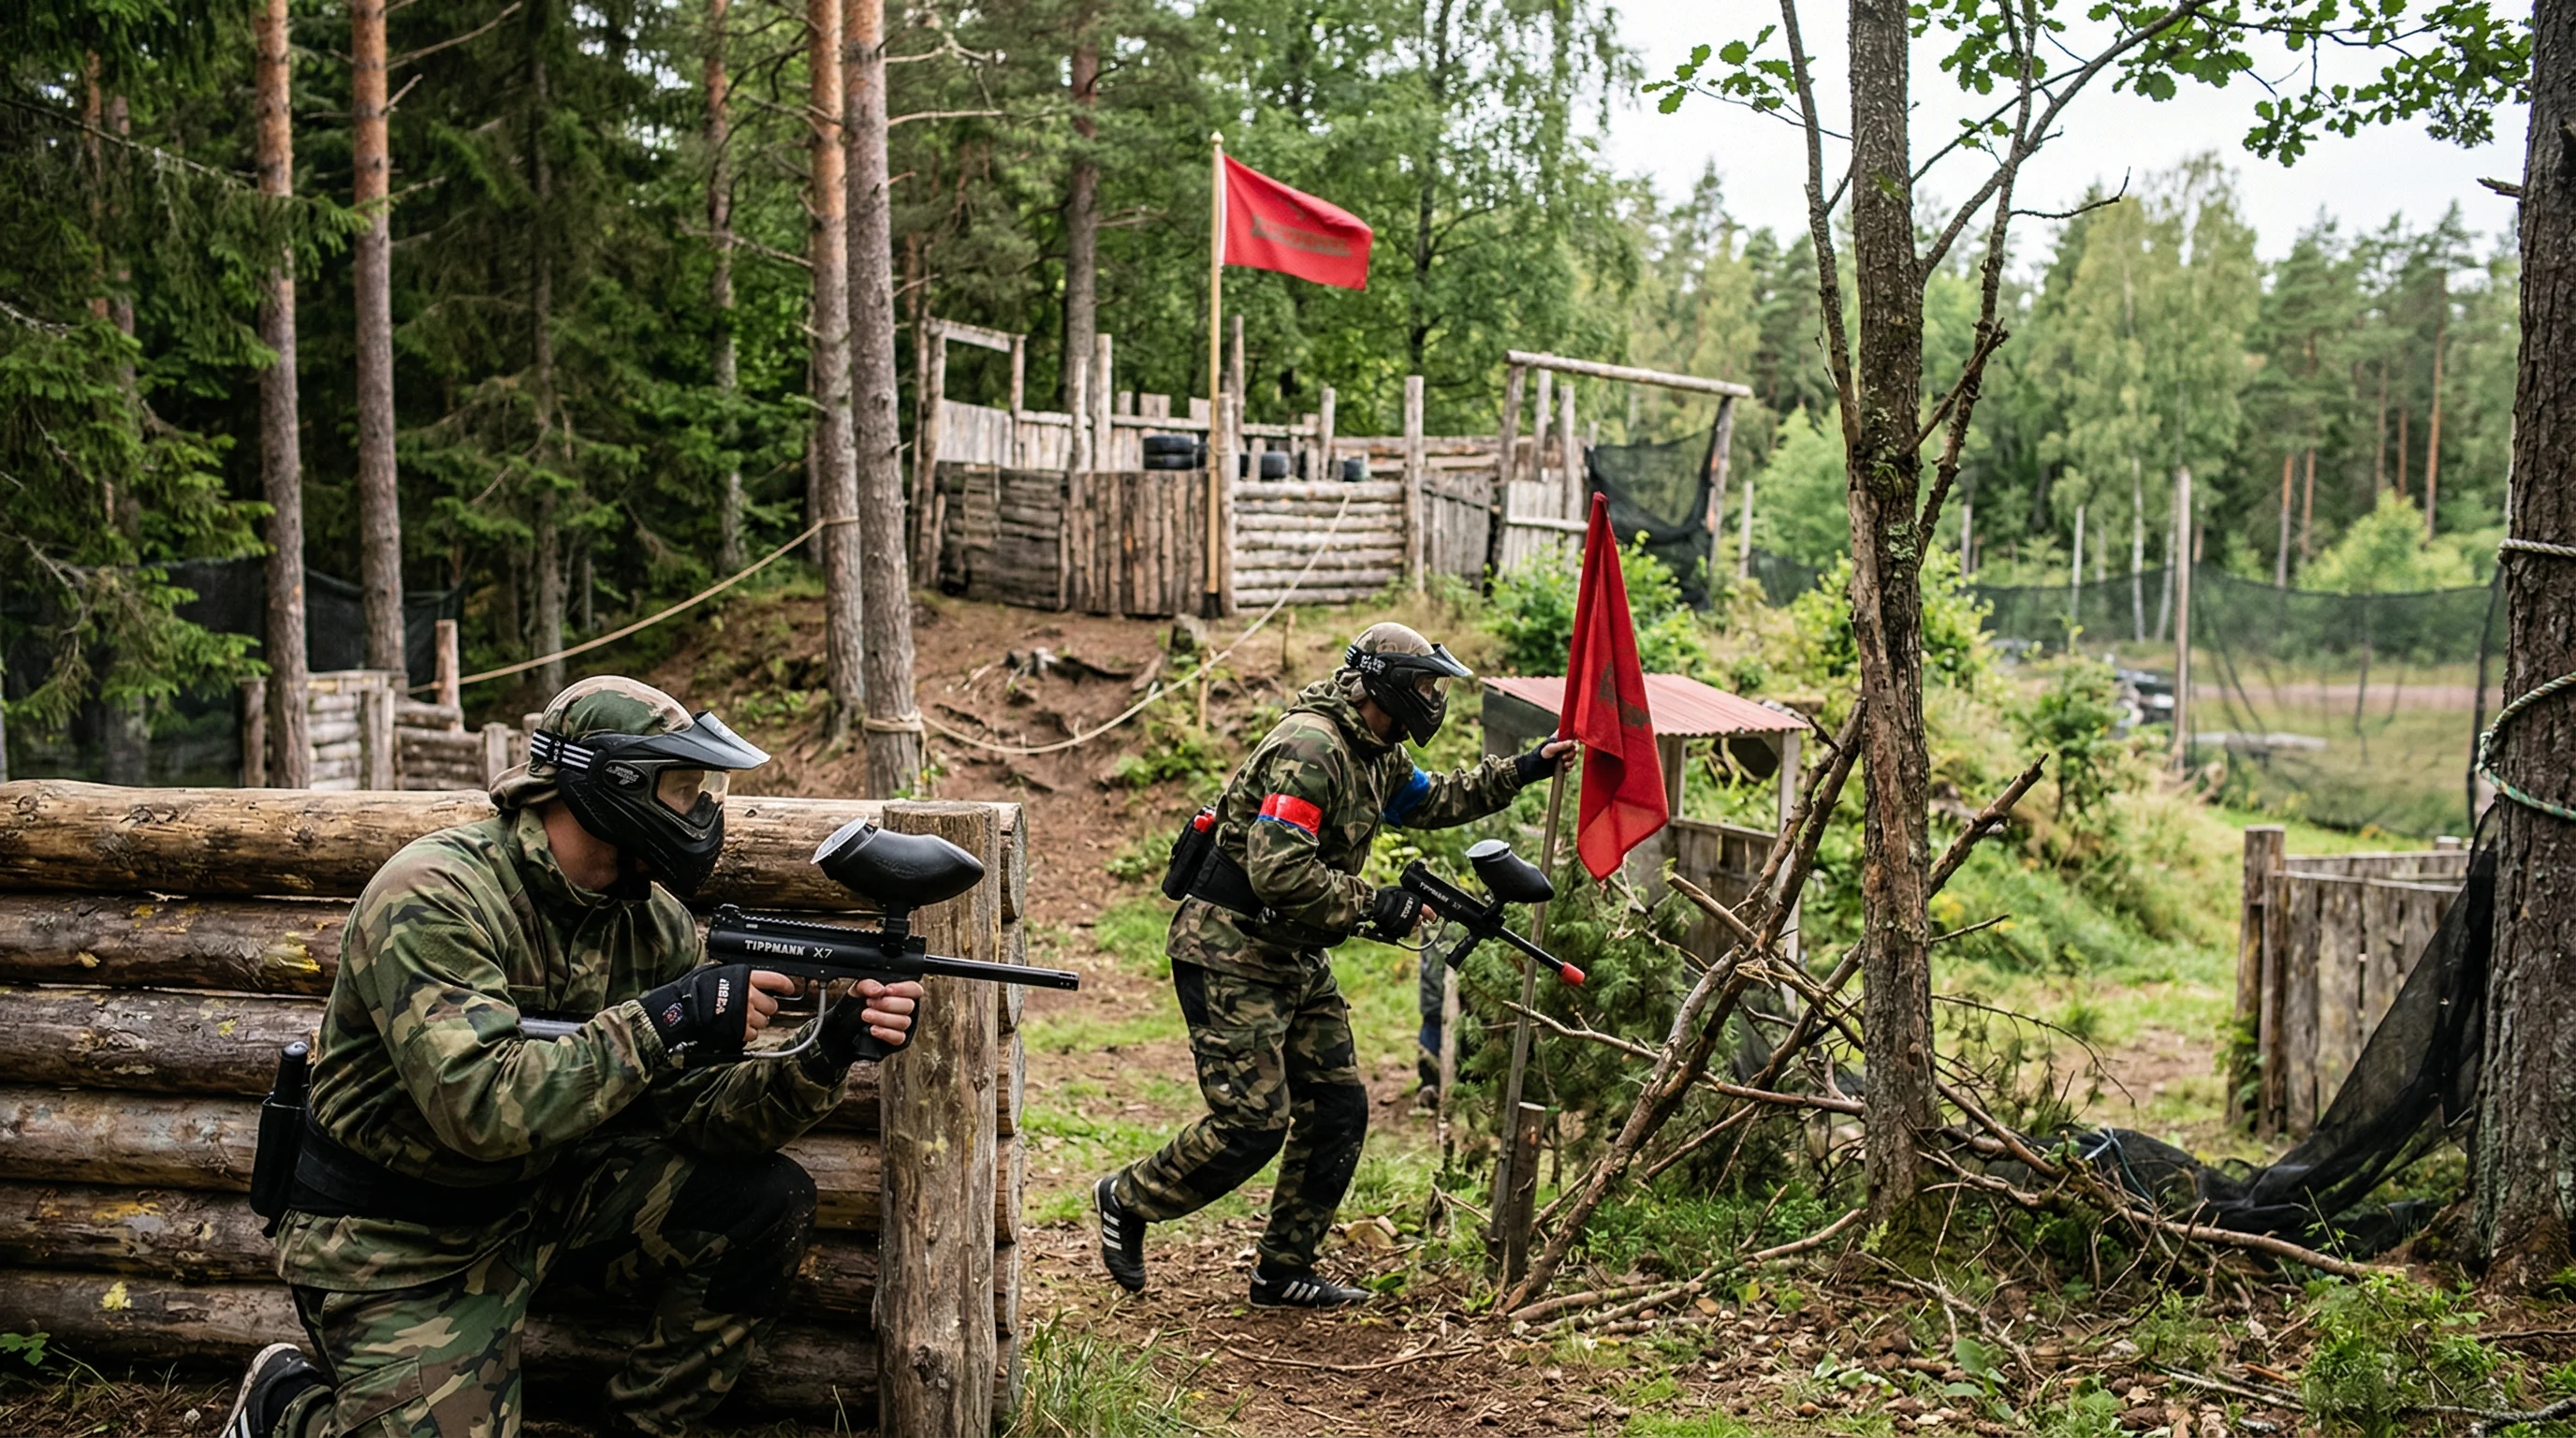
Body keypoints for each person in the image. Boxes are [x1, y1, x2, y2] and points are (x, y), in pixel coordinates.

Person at [221, 677, 926, 1438]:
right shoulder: (435, 895)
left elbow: (696, 1114)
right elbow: (479, 1106)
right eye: (683, 789)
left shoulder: (652, 923)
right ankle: (281, 1407)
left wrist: (823, 1055)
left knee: (764, 1202)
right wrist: (667, 1018)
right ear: (613, 782)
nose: (701, 812)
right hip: (396, 1236)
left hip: (545, 1199)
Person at [1094, 623, 1571, 1307]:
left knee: (1338, 1109)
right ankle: (1127, 1197)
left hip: (1292, 950)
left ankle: (1281, 1271)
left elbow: (1429, 800)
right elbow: (1279, 872)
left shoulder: (1377, 750)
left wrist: (1526, 767)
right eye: (1426, 685)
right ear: (1387, 685)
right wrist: (1378, 905)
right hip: (1230, 950)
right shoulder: (1311, 748)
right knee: (1252, 1124)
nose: (1433, 698)